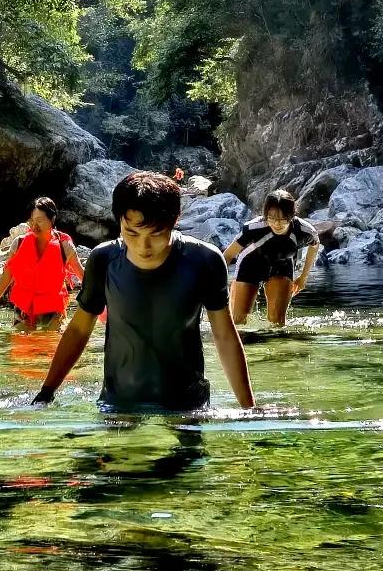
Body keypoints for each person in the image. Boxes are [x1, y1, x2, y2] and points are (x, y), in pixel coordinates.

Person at [33, 170, 253, 412]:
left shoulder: (204, 260)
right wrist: (46, 393)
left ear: (175, 219)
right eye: (132, 233)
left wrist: (248, 409)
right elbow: (78, 330)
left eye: (156, 234)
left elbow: (225, 336)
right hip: (119, 402)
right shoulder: (104, 259)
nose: (143, 246)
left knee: (189, 451)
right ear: (119, 222)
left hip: (187, 403)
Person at [0, 197, 82, 328]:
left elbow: (84, 277)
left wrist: (100, 303)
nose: (34, 226)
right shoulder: (19, 244)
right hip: (24, 308)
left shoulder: (64, 246)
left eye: (40, 221)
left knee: (51, 346)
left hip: (53, 309)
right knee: (22, 346)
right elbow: (6, 277)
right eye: (32, 221)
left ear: (52, 219)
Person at [227, 188, 321, 327]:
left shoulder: (303, 230)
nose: (277, 224)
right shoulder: (253, 228)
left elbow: (315, 245)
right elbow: (227, 256)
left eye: (283, 219)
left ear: (292, 216)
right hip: (250, 266)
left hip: (282, 265)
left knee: (278, 322)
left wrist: (303, 277)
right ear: (265, 215)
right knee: (238, 321)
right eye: (272, 218)